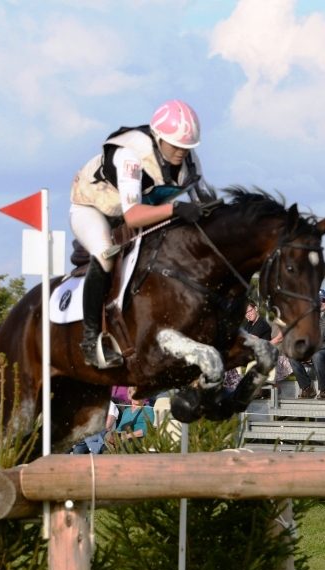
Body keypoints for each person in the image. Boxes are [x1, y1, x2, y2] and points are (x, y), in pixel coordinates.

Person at [69, 99, 211, 368]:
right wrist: (177, 208)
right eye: (175, 145)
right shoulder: (131, 156)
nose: (181, 152)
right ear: (158, 138)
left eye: (187, 147)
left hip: (138, 211)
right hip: (95, 210)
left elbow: (202, 200)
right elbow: (133, 216)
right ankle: (90, 340)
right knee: (105, 255)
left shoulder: (189, 159)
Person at [289, 289, 325, 399]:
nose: (320, 303)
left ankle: (323, 390)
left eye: (322, 300)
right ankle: (307, 388)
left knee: (317, 355)